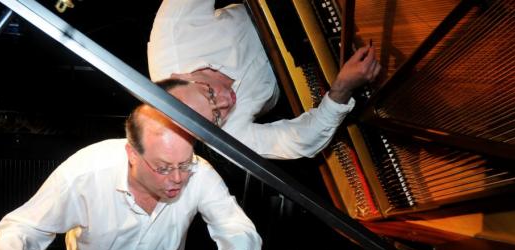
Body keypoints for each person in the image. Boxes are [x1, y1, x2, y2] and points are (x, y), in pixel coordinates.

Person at [0, 81, 262, 250]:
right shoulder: (85, 173)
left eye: (184, 165)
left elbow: (240, 232)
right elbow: (22, 228)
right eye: (163, 168)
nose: (177, 178)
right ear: (132, 154)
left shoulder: (199, 173)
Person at [147, 0, 381, 159]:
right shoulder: (224, 138)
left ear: (181, 76)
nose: (226, 101)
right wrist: (342, 88)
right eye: (217, 116)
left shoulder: (172, 34)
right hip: (303, 66)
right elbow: (302, 140)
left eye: (209, 92)